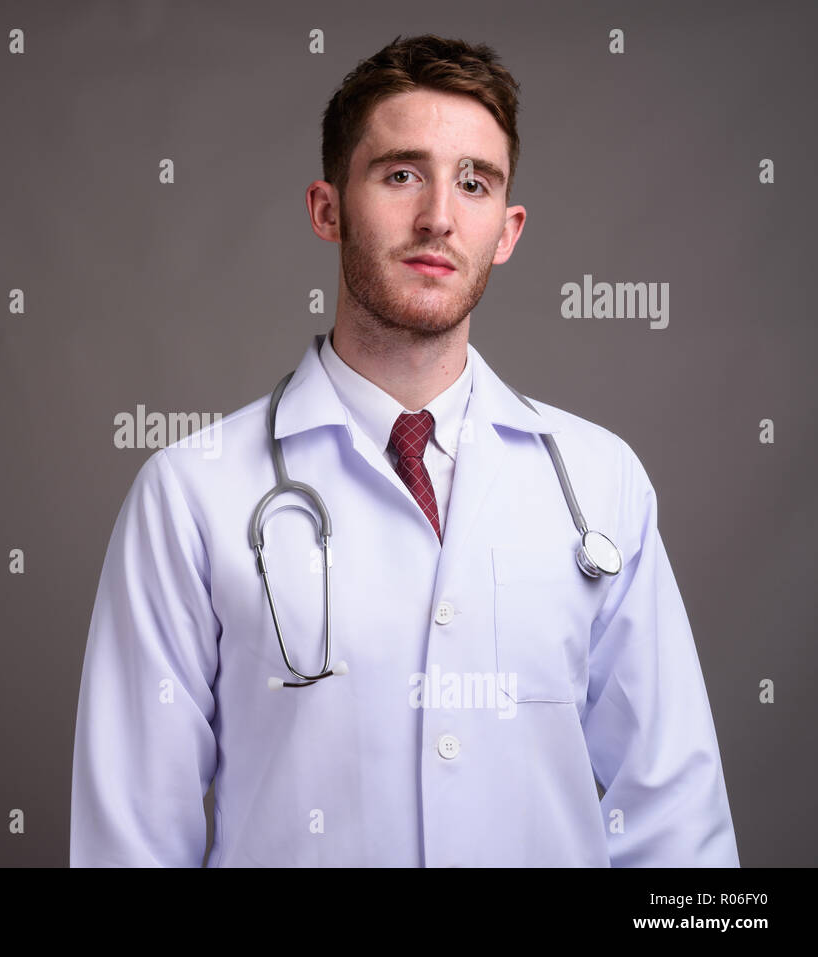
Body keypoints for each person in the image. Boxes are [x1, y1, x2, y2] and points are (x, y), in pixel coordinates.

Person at [69, 34, 739, 867]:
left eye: (474, 182)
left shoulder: (602, 484)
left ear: (507, 230)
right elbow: (132, 839)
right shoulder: (189, 494)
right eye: (400, 174)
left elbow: (676, 818)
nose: (438, 217)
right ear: (327, 208)